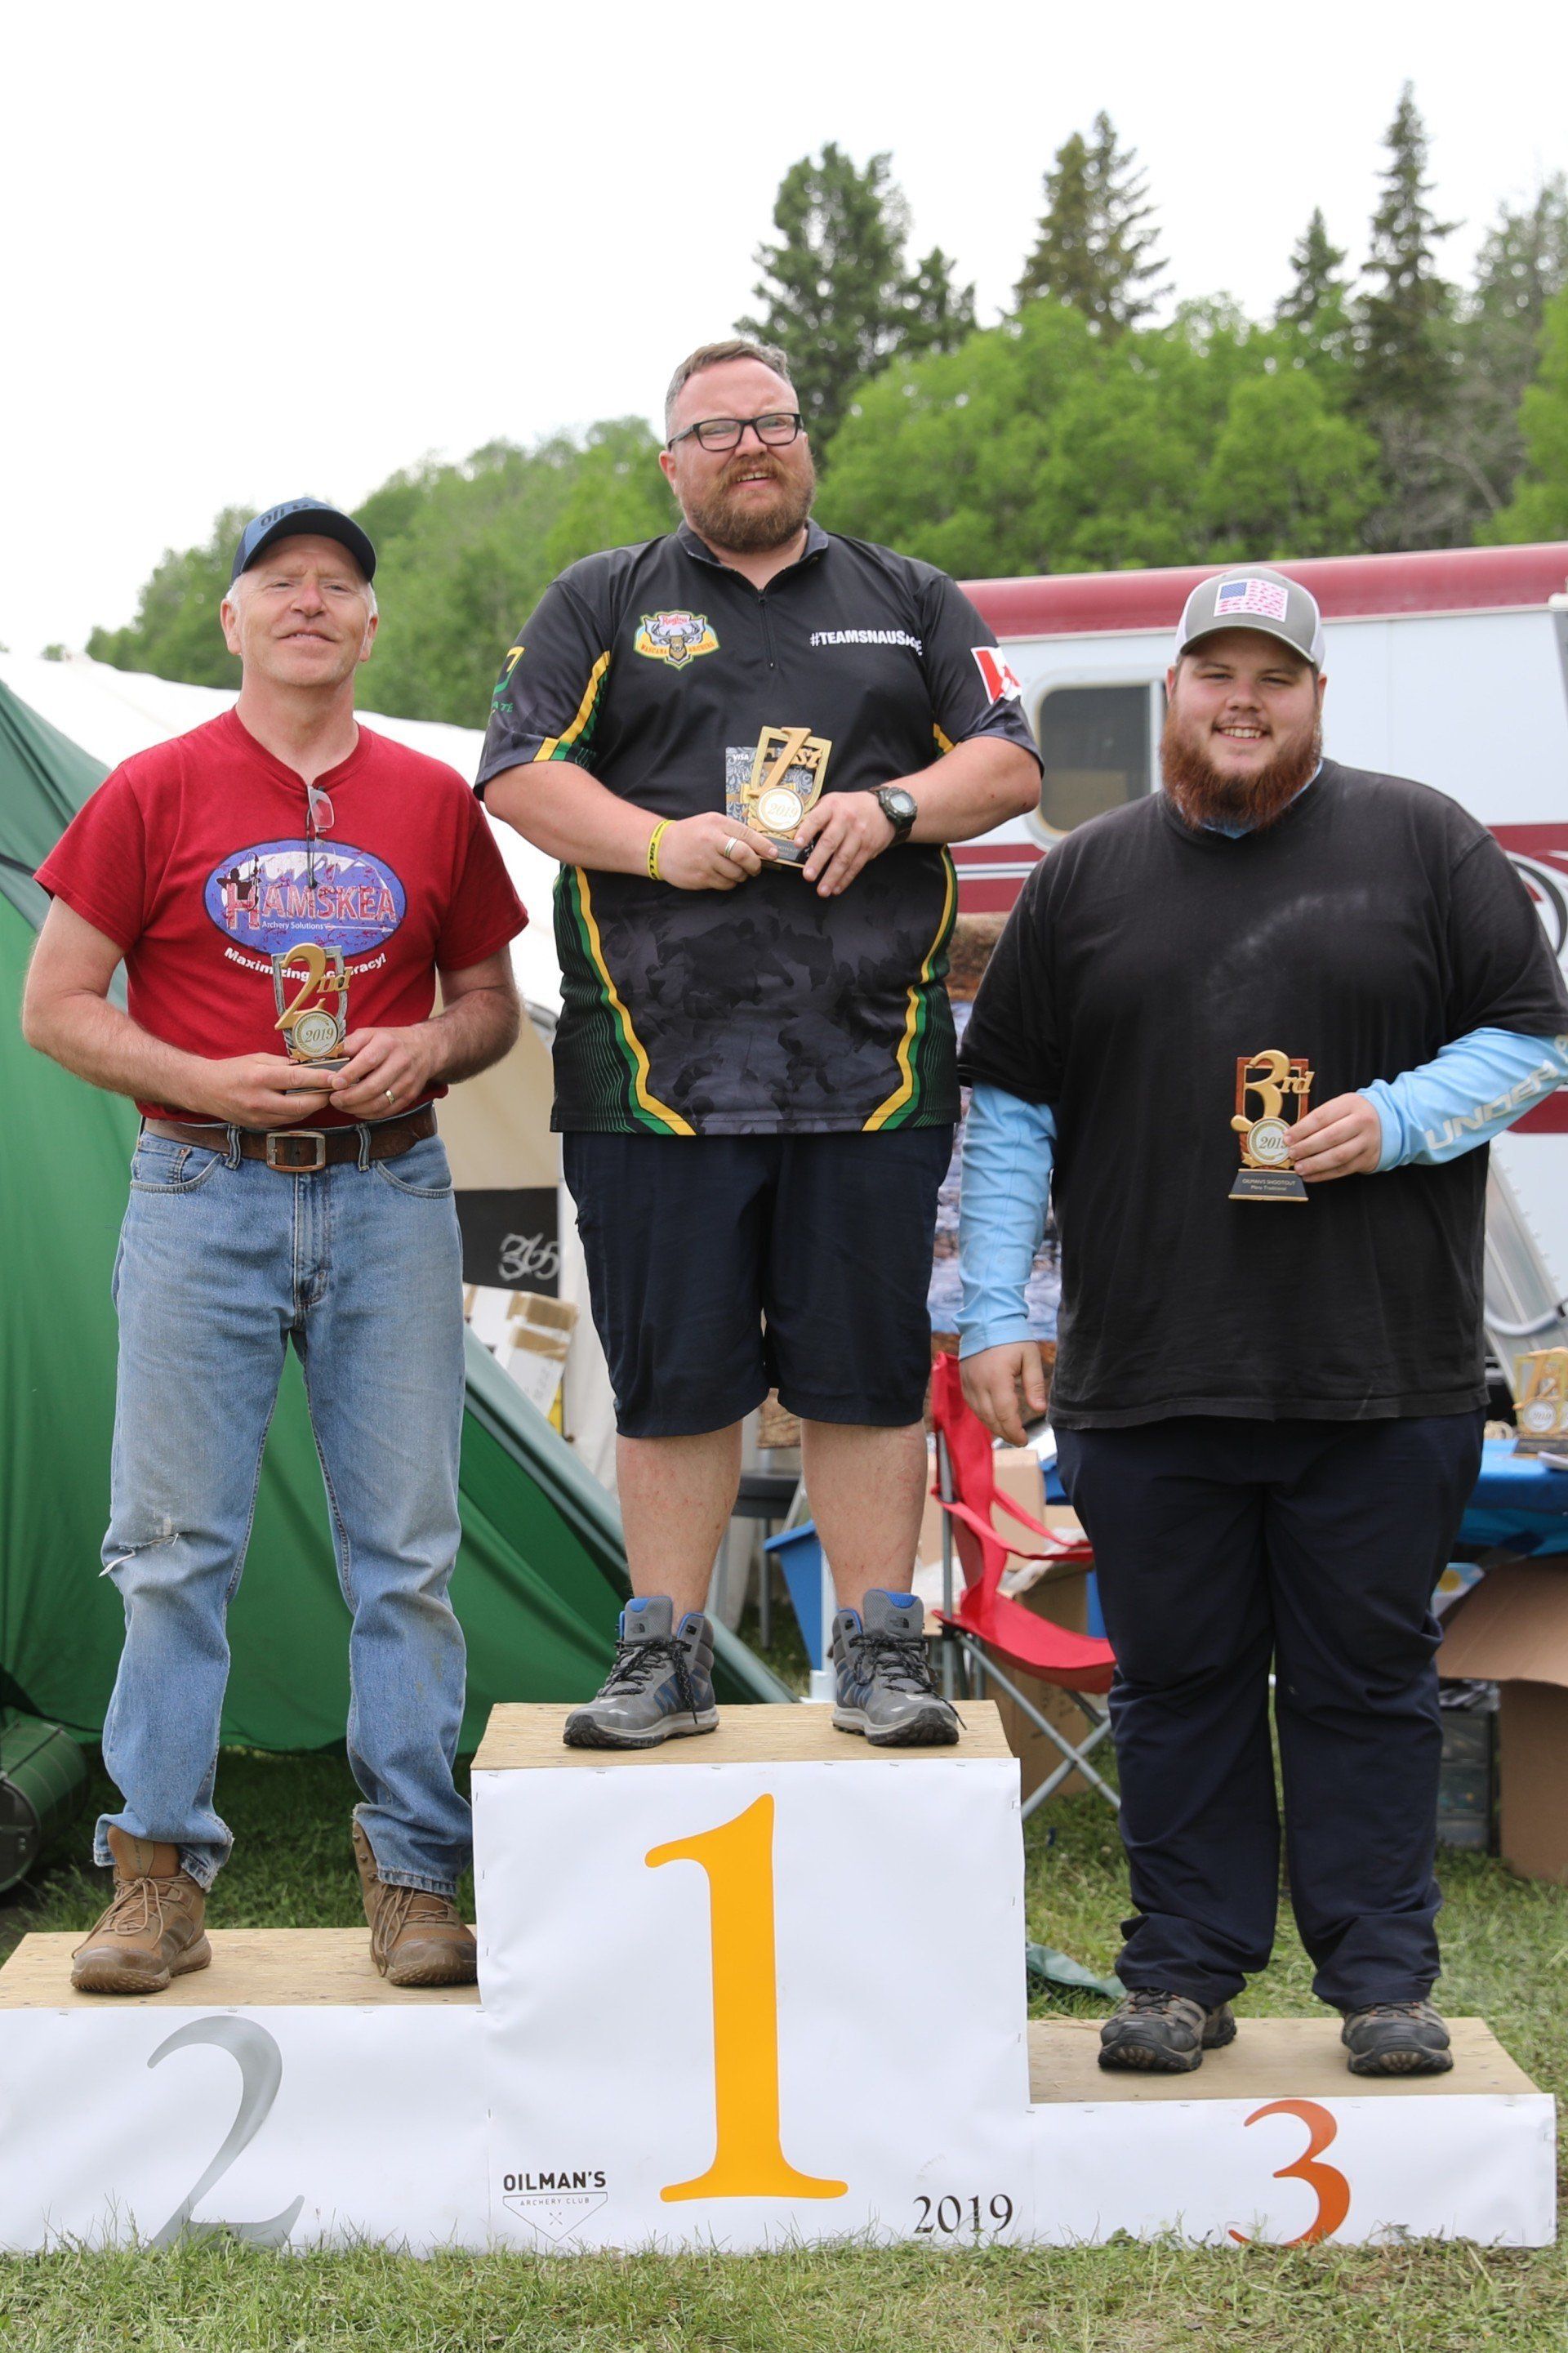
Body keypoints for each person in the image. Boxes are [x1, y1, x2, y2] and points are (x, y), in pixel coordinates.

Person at [957, 564, 1568, 2077]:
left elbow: (1534, 1029)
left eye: (1273, 676)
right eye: (1215, 673)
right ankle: (1181, 1971)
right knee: (1178, 1687)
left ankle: (1380, 1979)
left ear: (1314, 696)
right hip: (1147, 1372)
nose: (1242, 700)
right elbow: (1012, 1112)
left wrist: (1407, 1116)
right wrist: (986, 1309)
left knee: (1370, 1682)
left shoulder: (1423, 842)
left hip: (1382, 1369)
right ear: (1174, 692)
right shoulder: (1082, 879)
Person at [477, 339, 1041, 1749]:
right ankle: (664, 1649)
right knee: (675, 1374)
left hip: (873, 1066)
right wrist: (661, 842)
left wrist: (900, 808)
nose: (748, 446)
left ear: (807, 445)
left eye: (772, 422)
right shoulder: (602, 597)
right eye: (715, 430)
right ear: (672, 464)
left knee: (860, 1370)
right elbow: (520, 771)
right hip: (654, 1076)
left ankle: (880, 1647)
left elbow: (1013, 757)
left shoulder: (908, 597)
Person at [24, 497, 527, 1993]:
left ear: (373, 627)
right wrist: (203, 1077)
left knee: (409, 1555)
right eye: (280, 582)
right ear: (231, 621)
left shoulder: (434, 801)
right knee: (173, 1549)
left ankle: (417, 1875)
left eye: (339, 584)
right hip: (202, 1190)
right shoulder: (153, 789)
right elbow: (57, 1004)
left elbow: (492, 1004)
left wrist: (429, 1043)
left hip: (389, 1189)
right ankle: (158, 1876)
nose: (311, 602)